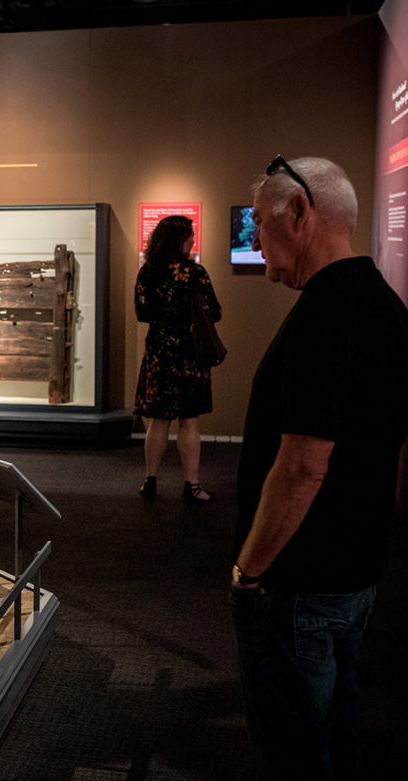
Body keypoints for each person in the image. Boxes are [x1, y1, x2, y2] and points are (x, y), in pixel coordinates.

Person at [231, 156, 408, 780]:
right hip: (354, 569)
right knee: (335, 726)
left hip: (299, 580)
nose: (253, 238)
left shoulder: (327, 313)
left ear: (300, 213)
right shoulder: (383, 304)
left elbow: (304, 465)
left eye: (259, 220)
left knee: (295, 747)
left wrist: (248, 570)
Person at [133, 215, 221, 503]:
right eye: (189, 237)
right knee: (189, 421)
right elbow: (215, 312)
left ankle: (150, 480)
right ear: (179, 240)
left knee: (158, 421)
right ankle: (192, 486)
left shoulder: (148, 272)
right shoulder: (196, 274)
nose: (193, 241)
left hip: (159, 352)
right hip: (189, 354)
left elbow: (142, 312)